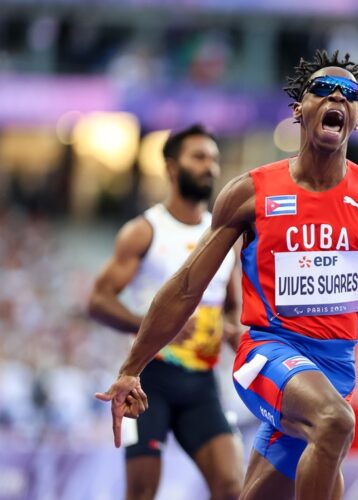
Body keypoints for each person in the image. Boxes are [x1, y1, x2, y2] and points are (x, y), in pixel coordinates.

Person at [96, 50, 358, 500]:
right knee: (334, 423)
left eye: (349, 94)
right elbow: (188, 286)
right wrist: (132, 367)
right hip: (267, 355)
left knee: (262, 487)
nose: (337, 96)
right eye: (322, 90)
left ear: (357, 116)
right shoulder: (251, 193)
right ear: (300, 109)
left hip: (334, 370)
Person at [89, 125, 243, 500]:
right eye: (199, 157)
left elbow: (232, 305)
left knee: (232, 487)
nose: (210, 167)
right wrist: (157, 326)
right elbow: (97, 300)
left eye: (214, 159)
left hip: (201, 384)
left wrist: (230, 327)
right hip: (145, 380)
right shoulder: (144, 231)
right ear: (172, 168)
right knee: (141, 493)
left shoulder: (222, 234)